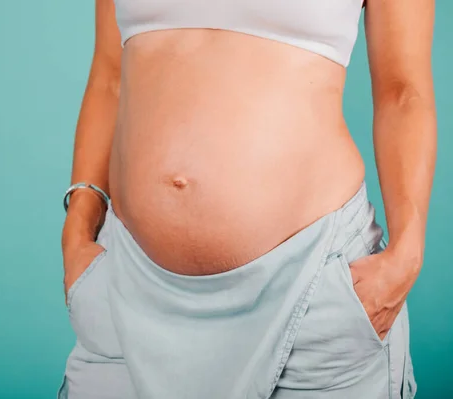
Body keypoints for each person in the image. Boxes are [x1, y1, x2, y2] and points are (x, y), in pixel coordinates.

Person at [58, 1, 436, 398]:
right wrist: (79, 224)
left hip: (311, 286)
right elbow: (109, 76)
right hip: (127, 288)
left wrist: (406, 256)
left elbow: (403, 92)